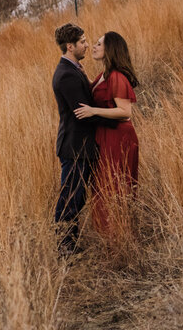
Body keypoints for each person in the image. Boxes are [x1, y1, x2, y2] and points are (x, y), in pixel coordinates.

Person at [51, 22, 115, 254]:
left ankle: (70, 244)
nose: (87, 45)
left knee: (77, 196)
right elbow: (83, 113)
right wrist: (114, 121)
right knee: (70, 197)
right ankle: (65, 247)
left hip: (80, 145)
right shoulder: (66, 75)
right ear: (70, 46)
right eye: (82, 42)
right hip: (75, 146)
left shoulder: (74, 68)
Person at [74, 31, 139, 238]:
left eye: (99, 44)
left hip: (119, 136)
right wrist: (84, 77)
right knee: (103, 185)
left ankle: (119, 237)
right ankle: (110, 238)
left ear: (110, 49)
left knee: (114, 185)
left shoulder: (117, 76)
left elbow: (125, 111)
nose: (93, 46)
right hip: (106, 135)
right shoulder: (103, 75)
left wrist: (93, 111)